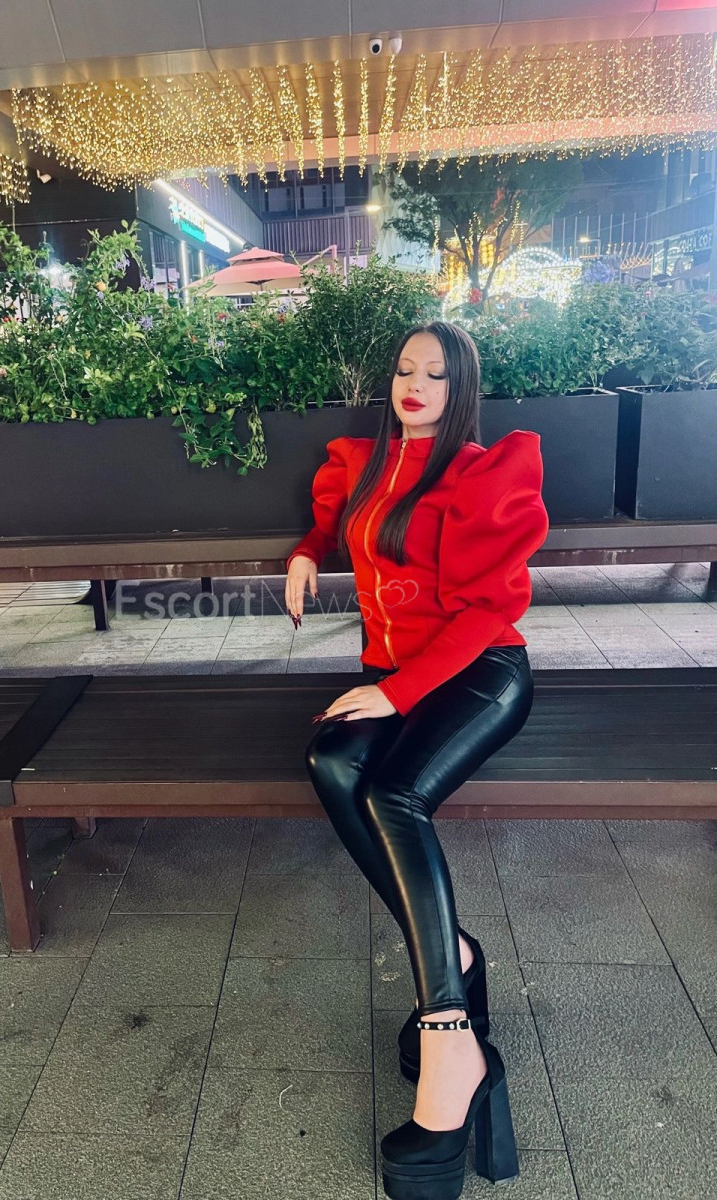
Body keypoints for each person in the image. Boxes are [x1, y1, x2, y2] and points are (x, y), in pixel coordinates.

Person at [284, 320, 549, 1200]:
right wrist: (306, 552)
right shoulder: (366, 463)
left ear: (460, 387)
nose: (416, 385)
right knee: (331, 761)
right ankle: (457, 957)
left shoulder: (480, 473)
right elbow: (336, 520)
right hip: (395, 677)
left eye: (436, 374)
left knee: (393, 794)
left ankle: (448, 1042)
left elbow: (487, 613)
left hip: (479, 674)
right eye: (405, 369)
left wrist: (397, 695)